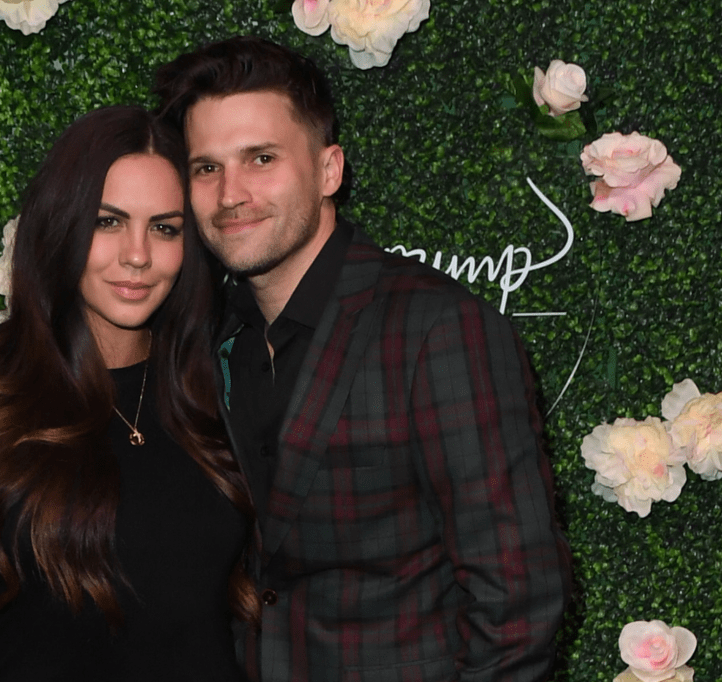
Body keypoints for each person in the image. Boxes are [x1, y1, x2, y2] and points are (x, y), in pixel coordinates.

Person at [154, 37, 572, 682]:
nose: (230, 193)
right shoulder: (215, 336)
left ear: (329, 170)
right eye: (207, 168)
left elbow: (518, 600)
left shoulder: (436, 328)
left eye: (261, 158)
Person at [0, 105, 258, 681]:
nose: (137, 255)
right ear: (61, 222)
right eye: (107, 222)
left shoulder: (216, 391)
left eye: (165, 228)